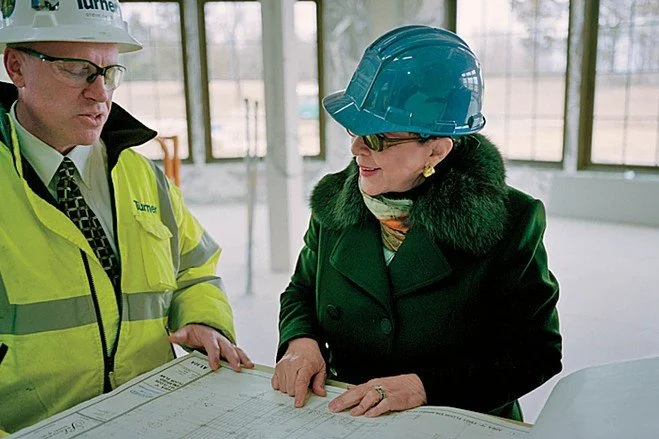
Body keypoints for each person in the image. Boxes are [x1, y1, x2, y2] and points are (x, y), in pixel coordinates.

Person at [271, 25, 562, 421]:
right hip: (349, 417)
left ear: (437, 149)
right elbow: (302, 291)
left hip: (457, 420)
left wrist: (426, 386)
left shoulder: (512, 222)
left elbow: (535, 351)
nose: (357, 149)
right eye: (355, 130)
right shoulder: (335, 204)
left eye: (378, 139)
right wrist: (299, 341)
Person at [0, 1, 252, 434]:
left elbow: (194, 268)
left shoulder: (142, 175)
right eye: (76, 69)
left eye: (109, 73)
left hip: (151, 419)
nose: (100, 94)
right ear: (16, 67)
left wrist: (202, 320)